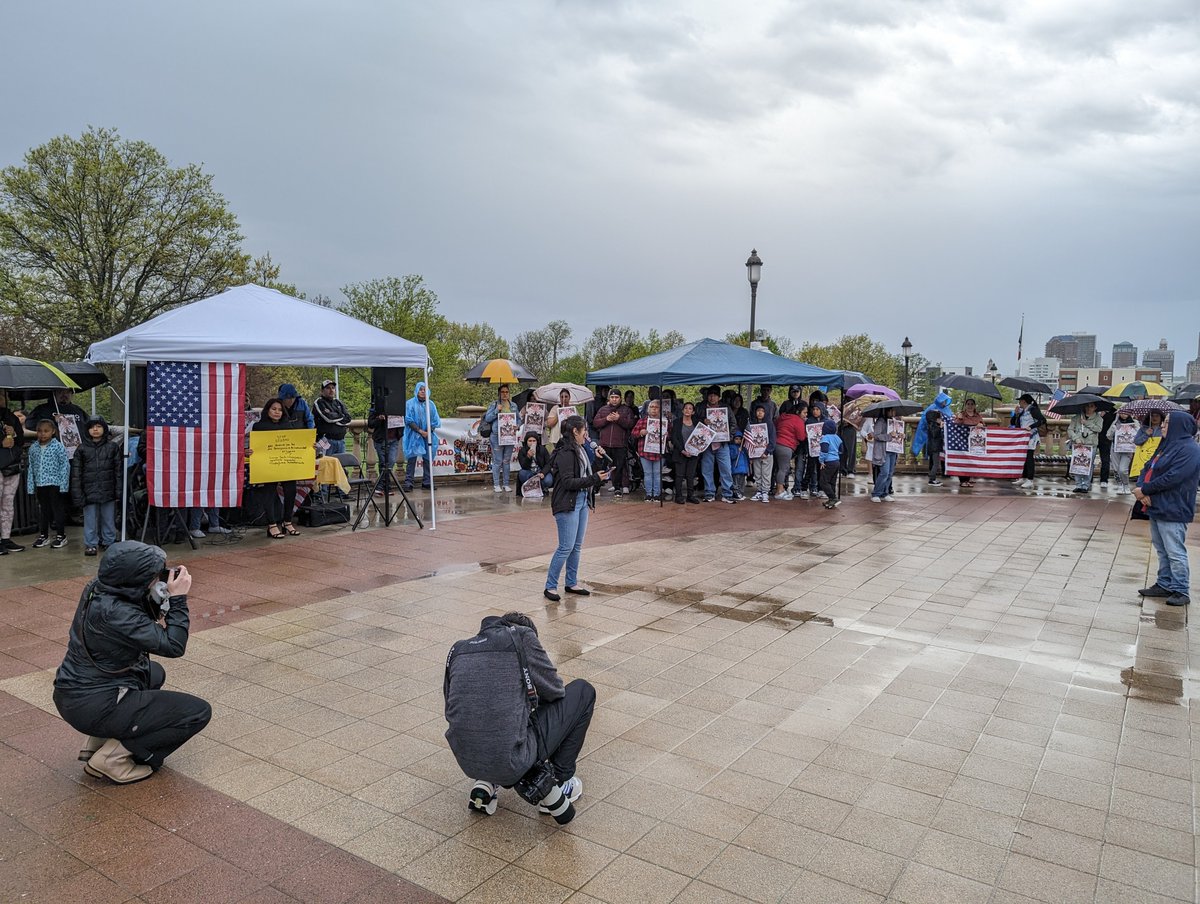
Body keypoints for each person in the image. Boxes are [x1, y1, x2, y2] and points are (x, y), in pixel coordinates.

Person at [52, 541, 209, 783]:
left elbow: (135, 617)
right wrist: (178, 600)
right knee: (196, 712)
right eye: (153, 574)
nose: (158, 577)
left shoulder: (98, 587)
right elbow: (173, 646)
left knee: (153, 673)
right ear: (133, 579)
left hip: (74, 692)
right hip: (93, 704)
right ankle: (113, 759)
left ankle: (99, 740)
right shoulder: (117, 613)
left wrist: (158, 594)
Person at [444, 611, 596, 821]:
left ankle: (486, 782)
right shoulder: (522, 636)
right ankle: (559, 782)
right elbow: (555, 691)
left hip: (467, 760)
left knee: (487, 710)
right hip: (511, 758)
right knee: (583, 692)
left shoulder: (458, 649)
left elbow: (456, 709)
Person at [1134, 412, 1200, 607]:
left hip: (1174, 506)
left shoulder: (1190, 449)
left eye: (1168, 423)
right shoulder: (1166, 445)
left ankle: (1181, 589)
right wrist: (1142, 490)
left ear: (1179, 426)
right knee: (1161, 548)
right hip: (1156, 503)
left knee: (1174, 550)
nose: (1163, 425)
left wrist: (1145, 489)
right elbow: (1148, 467)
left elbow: (1174, 476)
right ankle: (1164, 584)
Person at [544, 416, 610, 601]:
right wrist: (594, 479)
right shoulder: (565, 451)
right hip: (567, 502)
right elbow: (567, 481)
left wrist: (597, 461)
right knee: (566, 546)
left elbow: (587, 474)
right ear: (575, 431)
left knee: (576, 546)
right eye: (584, 431)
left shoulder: (580, 449)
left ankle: (571, 582)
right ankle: (550, 586)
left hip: (581, 500)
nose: (586, 435)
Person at [70, 416, 123, 556]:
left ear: (104, 429)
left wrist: (118, 490)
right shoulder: (81, 449)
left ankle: (109, 542)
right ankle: (91, 544)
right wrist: (78, 493)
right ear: (87, 430)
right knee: (90, 520)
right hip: (88, 491)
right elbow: (76, 474)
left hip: (108, 490)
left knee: (108, 518)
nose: (95, 429)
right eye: (92, 427)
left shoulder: (112, 447)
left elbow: (118, 471)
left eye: (99, 426)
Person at [250, 399, 301, 538]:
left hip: (286, 464)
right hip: (268, 465)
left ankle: (287, 522)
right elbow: (254, 446)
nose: (277, 412)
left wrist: (310, 446)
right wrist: (250, 451)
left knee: (291, 491)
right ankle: (272, 524)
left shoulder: (288, 426)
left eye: (279, 409)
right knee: (269, 492)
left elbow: (296, 443)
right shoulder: (258, 427)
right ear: (267, 410)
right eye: (274, 409)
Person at [27, 418, 70, 548]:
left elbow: (65, 466)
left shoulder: (58, 446)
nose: (42, 434)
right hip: (40, 484)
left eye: (46, 431)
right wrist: (31, 485)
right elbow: (31, 467)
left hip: (55, 483)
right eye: (39, 431)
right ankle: (43, 535)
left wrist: (63, 484)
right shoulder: (33, 448)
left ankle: (61, 535)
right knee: (43, 510)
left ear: (53, 431)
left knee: (57, 510)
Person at [591, 389, 635, 496]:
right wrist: (606, 419)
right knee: (600, 466)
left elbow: (631, 424)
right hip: (604, 444)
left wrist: (619, 419)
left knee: (618, 467)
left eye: (616, 398)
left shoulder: (626, 410)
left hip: (620, 444)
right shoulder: (603, 409)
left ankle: (617, 488)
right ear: (609, 398)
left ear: (620, 398)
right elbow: (595, 423)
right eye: (612, 397)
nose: (614, 400)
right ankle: (596, 488)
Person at [697, 386, 736, 503]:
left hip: (722, 443)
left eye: (715, 395)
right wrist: (703, 421)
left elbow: (733, 423)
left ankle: (727, 493)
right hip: (707, 444)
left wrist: (729, 436)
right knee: (706, 469)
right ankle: (709, 493)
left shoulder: (726, 408)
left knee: (726, 469)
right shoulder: (701, 407)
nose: (712, 397)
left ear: (719, 397)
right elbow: (694, 422)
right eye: (710, 395)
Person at [402, 381, 440, 492]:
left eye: (424, 389)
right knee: (412, 458)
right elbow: (408, 419)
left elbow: (435, 420)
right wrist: (419, 431)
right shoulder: (409, 403)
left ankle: (427, 482)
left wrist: (428, 431)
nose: (423, 392)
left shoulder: (431, 404)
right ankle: (409, 483)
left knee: (428, 458)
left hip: (428, 435)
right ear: (417, 391)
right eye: (421, 389)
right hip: (413, 434)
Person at [485, 385, 522, 492]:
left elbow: (519, 419)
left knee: (506, 461)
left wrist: (517, 426)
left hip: (509, 436)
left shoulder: (513, 406)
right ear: (499, 393)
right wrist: (496, 410)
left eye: (506, 392)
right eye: (502, 392)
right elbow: (487, 418)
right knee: (498, 461)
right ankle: (496, 484)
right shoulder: (494, 404)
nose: (505, 394)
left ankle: (506, 484)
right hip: (496, 436)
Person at [0, 393, 25, 554]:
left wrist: (13, 434)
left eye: (2, 395)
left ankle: (5, 538)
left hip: (11, 466)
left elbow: (21, 439)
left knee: (8, 504)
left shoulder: (10, 417)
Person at [1010, 394, 1046, 489]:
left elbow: (1042, 420)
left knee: (1029, 457)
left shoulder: (1033, 410)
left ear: (1024, 401)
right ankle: (1023, 476)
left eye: (1020, 401)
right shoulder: (1022, 412)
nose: (1019, 403)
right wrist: (1016, 414)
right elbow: (1013, 423)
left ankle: (1030, 479)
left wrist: (1031, 427)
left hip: (1032, 437)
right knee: (1023, 458)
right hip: (1023, 438)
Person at [1067, 402, 1104, 493]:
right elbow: (1070, 429)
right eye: (1087, 406)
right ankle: (1078, 484)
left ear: (1095, 408)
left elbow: (1098, 429)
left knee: (1088, 465)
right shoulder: (1077, 417)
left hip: (1091, 445)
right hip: (1078, 445)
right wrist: (1076, 439)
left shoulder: (1098, 418)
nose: (1088, 408)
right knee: (1077, 464)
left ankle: (1086, 485)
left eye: (1091, 406)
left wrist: (1086, 423)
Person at [368, 390, 402, 488]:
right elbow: (371, 423)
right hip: (381, 439)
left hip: (394, 438)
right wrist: (379, 418)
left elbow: (402, 420)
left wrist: (400, 433)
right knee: (383, 464)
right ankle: (382, 486)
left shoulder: (397, 407)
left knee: (390, 462)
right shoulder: (375, 408)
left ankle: (384, 484)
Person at [633, 399, 665, 502]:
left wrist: (665, 435)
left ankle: (656, 494)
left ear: (660, 409)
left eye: (656, 407)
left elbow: (670, 434)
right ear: (648, 409)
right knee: (647, 473)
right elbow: (633, 433)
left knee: (657, 473)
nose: (654, 409)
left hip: (659, 452)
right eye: (652, 407)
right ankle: (648, 494)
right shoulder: (642, 421)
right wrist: (641, 432)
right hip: (645, 451)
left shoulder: (664, 421)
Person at [670, 402, 702, 504]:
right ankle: (678, 496)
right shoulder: (676, 422)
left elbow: (701, 437)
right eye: (686, 408)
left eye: (690, 408)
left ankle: (690, 496)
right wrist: (682, 450)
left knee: (690, 475)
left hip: (693, 453)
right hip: (680, 452)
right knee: (679, 475)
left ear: (693, 412)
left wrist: (696, 450)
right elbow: (674, 438)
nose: (688, 410)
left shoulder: (697, 423)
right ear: (682, 410)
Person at [773, 406, 804, 501]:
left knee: (779, 468)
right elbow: (801, 437)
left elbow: (775, 425)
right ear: (798, 412)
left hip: (777, 444)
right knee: (783, 469)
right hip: (787, 446)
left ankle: (779, 489)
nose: (805, 415)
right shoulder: (798, 420)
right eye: (804, 412)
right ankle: (779, 491)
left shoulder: (782, 417)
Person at [313, 380, 352, 456]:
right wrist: (341, 415)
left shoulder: (338, 402)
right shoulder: (319, 402)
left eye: (333, 388)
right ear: (322, 391)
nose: (331, 390)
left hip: (341, 440)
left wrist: (335, 416)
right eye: (328, 388)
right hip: (326, 440)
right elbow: (329, 418)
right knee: (326, 464)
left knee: (341, 465)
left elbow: (348, 418)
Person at [746, 401, 775, 503]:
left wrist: (767, 451)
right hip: (756, 453)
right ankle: (759, 491)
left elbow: (772, 439)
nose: (760, 413)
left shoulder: (769, 424)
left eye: (762, 411)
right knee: (757, 473)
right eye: (758, 411)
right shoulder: (751, 424)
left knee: (766, 474)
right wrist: (751, 454)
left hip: (766, 453)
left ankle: (765, 492)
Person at [911, 392, 953, 459]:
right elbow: (925, 419)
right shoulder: (932, 407)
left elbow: (951, 417)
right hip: (932, 432)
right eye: (943, 401)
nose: (944, 402)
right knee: (930, 448)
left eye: (945, 401)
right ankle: (925, 457)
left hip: (943, 434)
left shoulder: (947, 409)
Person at [953, 399, 984, 486]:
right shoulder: (961, 414)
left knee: (971, 460)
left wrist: (981, 425)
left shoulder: (978, 416)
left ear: (974, 406)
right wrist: (959, 418)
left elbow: (983, 426)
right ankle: (963, 481)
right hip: (962, 441)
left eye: (972, 404)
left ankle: (968, 479)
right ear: (965, 405)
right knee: (962, 460)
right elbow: (955, 426)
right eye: (968, 404)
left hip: (974, 442)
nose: (970, 406)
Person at [1106, 408, 1138, 495]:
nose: (1124, 414)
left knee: (1123, 469)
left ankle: (1126, 484)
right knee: (1116, 468)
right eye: (1122, 413)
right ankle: (1120, 485)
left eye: (1126, 412)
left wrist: (1135, 429)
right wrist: (1114, 428)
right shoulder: (1116, 422)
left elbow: (1138, 436)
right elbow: (1108, 436)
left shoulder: (1134, 423)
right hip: (1116, 448)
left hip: (1128, 449)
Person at [868, 413, 897, 502]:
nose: (894, 412)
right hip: (884, 451)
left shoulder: (894, 421)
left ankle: (885, 492)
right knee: (884, 472)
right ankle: (876, 493)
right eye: (892, 410)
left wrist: (902, 436)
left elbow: (898, 434)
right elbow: (876, 435)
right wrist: (889, 436)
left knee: (890, 473)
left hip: (893, 449)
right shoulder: (880, 422)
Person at [798, 403, 824, 498]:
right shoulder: (809, 421)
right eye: (814, 409)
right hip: (811, 450)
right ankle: (804, 488)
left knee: (821, 470)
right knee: (809, 469)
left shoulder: (825, 421)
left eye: (817, 409)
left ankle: (820, 489)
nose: (815, 411)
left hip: (822, 451)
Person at [818, 421, 843, 508]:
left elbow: (824, 450)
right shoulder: (838, 438)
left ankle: (833, 498)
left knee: (823, 481)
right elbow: (841, 450)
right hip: (836, 461)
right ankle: (831, 500)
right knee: (832, 481)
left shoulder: (825, 438)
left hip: (828, 462)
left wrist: (821, 461)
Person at [1096, 406, 1117, 489]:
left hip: (1106, 439)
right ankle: (1088, 479)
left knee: (1105, 460)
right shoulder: (1093, 410)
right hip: (1092, 438)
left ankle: (1104, 480)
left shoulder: (1113, 412)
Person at [924, 408, 945, 487]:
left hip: (932, 446)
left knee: (933, 463)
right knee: (935, 464)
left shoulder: (931, 425)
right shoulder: (933, 426)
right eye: (938, 418)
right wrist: (940, 427)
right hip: (934, 447)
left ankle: (932, 478)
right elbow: (934, 434)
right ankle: (932, 479)